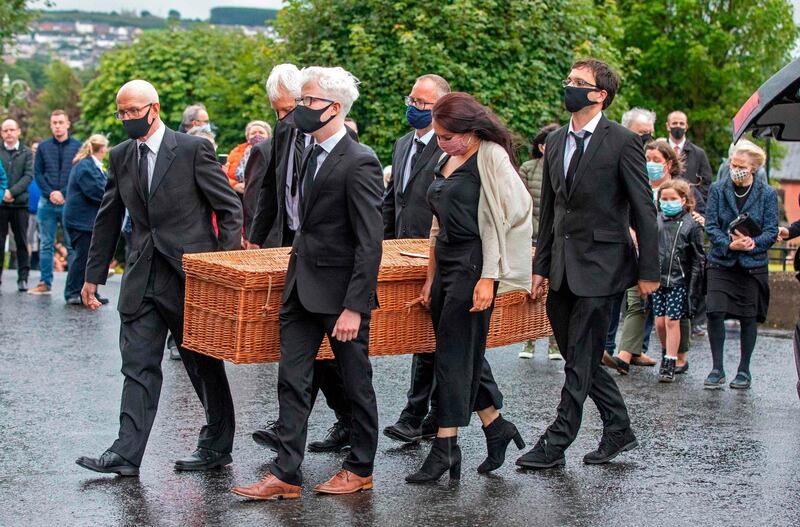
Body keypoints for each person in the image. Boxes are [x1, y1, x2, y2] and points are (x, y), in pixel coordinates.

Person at [75, 79, 243, 477]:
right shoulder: (119, 156)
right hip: (141, 277)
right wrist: (92, 275)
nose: (128, 119)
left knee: (202, 366)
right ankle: (125, 454)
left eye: (134, 111)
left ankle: (217, 446)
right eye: (122, 113)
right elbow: (108, 217)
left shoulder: (192, 150)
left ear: (155, 108)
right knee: (137, 365)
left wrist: (221, 269)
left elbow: (230, 208)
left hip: (189, 278)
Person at [232, 66, 383, 499]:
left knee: (356, 383)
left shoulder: (360, 160)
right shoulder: (304, 151)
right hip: (299, 285)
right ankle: (286, 474)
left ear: (334, 108)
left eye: (308, 101)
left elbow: (369, 241)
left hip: (340, 296)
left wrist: (356, 305)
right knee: (292, 380)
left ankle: (360, 467)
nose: (300, 109)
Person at [517, 58, 659, 470]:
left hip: (604, 266)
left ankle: (557, 441)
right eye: (569, 80)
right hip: (561, 266)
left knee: (579, 355)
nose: (569, 86)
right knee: (582, 354)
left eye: (579, 82)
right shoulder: (557, 140)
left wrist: (649, 271)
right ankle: (619, 428)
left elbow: (643, 210)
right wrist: (540, 266)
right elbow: (550, 213)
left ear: (600, 95)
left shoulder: (623, 142)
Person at [404, 92, 532, 483]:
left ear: (470, 130)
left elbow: (504, 217)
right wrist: (429, 275)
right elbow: (436, 223)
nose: (440, 142)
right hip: (447, 261)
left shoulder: (491, 155)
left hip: (476, 260)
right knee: (456, 348)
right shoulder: (447, 157)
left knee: (453, 354)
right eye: (438, 136)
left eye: (446, 136)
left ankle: (445, 445)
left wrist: (488, 277)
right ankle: (496, 426)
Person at [247, 63, 354, 456]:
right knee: (300, 349)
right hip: (289, 242)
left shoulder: (331, 141)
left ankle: (337, 424)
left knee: (324, 352)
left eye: (288, 108)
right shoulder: (285, 131)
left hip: (324, 252)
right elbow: (272, 188)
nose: (284, 118)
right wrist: (257, 239)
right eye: (277, 111)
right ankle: (301, 431)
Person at [382, 74, 449, 445]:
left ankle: (418, 414)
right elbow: (394, 199)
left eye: (423, 104)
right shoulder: (403, 143)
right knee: (425, 336)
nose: (414, 108)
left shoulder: (449, 147)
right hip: (404, 251)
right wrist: (384, 244)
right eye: (412, 100)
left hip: (436, 251)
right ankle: (427, 414)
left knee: (434, 339)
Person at [703, 142, 778, 390]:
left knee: (748, 317)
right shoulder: (718, 189)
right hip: (721, 261)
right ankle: (717, 368)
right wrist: (728, 244)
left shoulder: (767, 194)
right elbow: (711, 224)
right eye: (733, 165)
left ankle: (744, 370)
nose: (736, 169)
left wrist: (752, 243)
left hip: (751, 264)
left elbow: (771, 230)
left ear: (753, 168)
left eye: (741, 166)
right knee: (715, 311)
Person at [610, 140, 684, 374]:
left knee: (673, 314)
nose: (650, 164)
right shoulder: (636, 184)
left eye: (656, 160)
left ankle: (677, 356)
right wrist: (629, 231)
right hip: (638, 256)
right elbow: (625, 214)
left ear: (668, 163)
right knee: (636, 304)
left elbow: (690, 218)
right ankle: (624, 355)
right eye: (647, 159)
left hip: (670, 263)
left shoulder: (678, 189)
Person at [652, 178, 704, 382]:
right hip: (658, 279)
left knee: (672, 321)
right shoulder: (656, 219)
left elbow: (698, 257)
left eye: (673, 198)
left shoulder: (691, 224)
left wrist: (694, 286)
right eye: (664, 198)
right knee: (659, 323)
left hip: (679, 281)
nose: (668, 202)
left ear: (684, 200)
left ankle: (670, 360)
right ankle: (666, 350)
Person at [518, 123, 561, 361]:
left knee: (555, 290)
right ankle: (529, 339)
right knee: (531, 289)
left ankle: (555, 344)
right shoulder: (528, 168)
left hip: (557, 238)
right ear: (542, 147)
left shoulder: (566, 168)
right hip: (531, 237)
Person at [29, 110, 81, 295]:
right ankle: (45, 282)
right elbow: (38, 173)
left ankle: (74, 287)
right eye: (54, 122)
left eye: (60, 122)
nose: (57, 125)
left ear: (68, 124)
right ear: (50, 125)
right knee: (45, 244)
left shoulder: (78, 146)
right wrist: (51, 193)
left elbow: (78, 174)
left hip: (70, 202)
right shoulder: (43, 147)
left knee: (72, 245)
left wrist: (64, 193)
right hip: (47, 201)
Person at [62, 135, 110, 306]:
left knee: (91, 258)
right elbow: (97, 191)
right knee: (82, 257)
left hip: (87, 221)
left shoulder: (93, 166)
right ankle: (73, 292)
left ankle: (91, 292)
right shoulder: (85, 166)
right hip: (80, 221)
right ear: (102, 149)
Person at [0, 119, 33, 291]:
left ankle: (23, 278)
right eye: (5, 130)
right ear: (1, 133)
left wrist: (11, 192)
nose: (9, 133)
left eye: (12, 130)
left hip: (20, 205)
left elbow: (28, 176)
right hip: (1, 205)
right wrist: (3, 193)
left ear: (18, 131)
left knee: (21, 241)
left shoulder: (26, 152)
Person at [666, 111, 712, 210]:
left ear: (686, 126)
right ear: (668, 126)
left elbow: (706, 183)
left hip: (691, 207)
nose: (678, 126)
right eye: (674, 123)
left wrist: (695, 202)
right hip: (665, 203)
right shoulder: (660, 151)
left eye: (681, 123)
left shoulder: (699, 153)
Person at [226, 121, 271, 192]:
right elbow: (225, 175)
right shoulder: (236, 152)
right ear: (247, 137)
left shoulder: (275, 151)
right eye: (253, 133)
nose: (257, 135)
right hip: (240, 195)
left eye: (261, 132)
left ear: (269, 136)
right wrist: (235, 185)